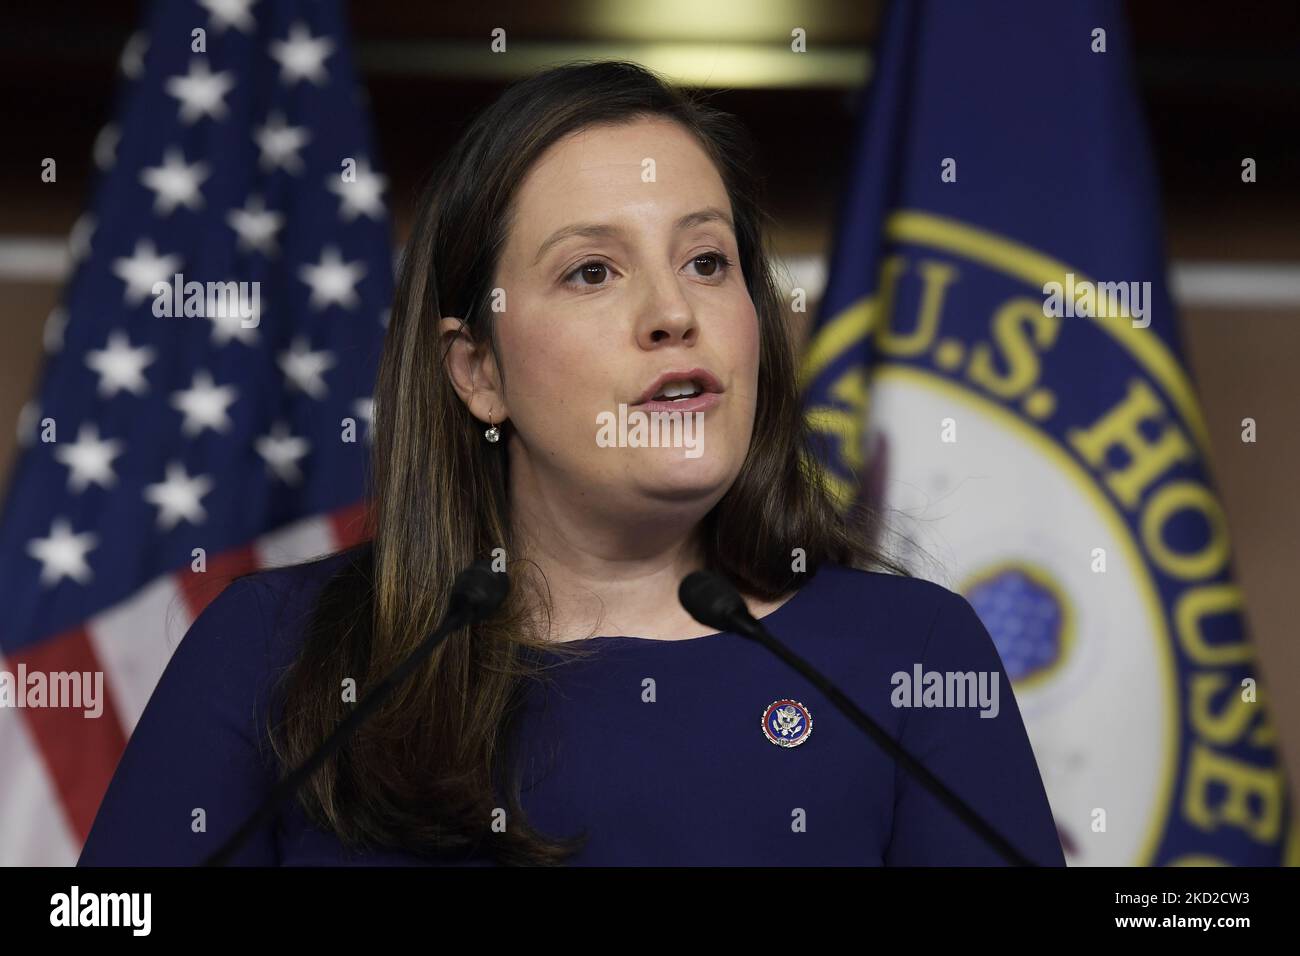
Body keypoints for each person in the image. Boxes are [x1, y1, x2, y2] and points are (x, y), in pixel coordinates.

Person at [78, 60, 1064, 867]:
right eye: (591, 270)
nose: (672, 312)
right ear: (478, 372)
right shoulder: (273, 649)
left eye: (707, 260)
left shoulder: (908, 654)